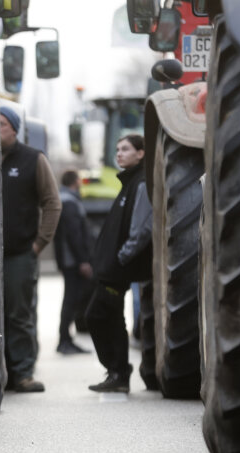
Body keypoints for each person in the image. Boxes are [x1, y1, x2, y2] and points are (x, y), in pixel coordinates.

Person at [0, 104, 61, 393]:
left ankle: (22, 372)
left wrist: (39, 243)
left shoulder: (32, 159)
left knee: (18, 313)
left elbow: (52, 202)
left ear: (14, 128)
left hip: (19, 253)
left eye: (1, 124)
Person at [86, 134, 153, 393]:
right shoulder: (128, 183)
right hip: (111, 268)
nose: (119, 153)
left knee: (98, 316)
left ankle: (118, 372)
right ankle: (118, 374)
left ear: (141, 153)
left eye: (125, 149)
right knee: (112, 318)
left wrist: (121, 257)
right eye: (117, 149)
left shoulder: (141, 183)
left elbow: (141, 230)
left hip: (117, 270)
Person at [54, 169, 93, 355]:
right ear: (75, 181)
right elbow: (74, 235)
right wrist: (83, 261)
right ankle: (64, 341)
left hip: (70, 260)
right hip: (72, 261)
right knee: (71, 299)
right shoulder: (69, 202)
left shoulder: (65, 199)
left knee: (71, 299)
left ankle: (66, 339)